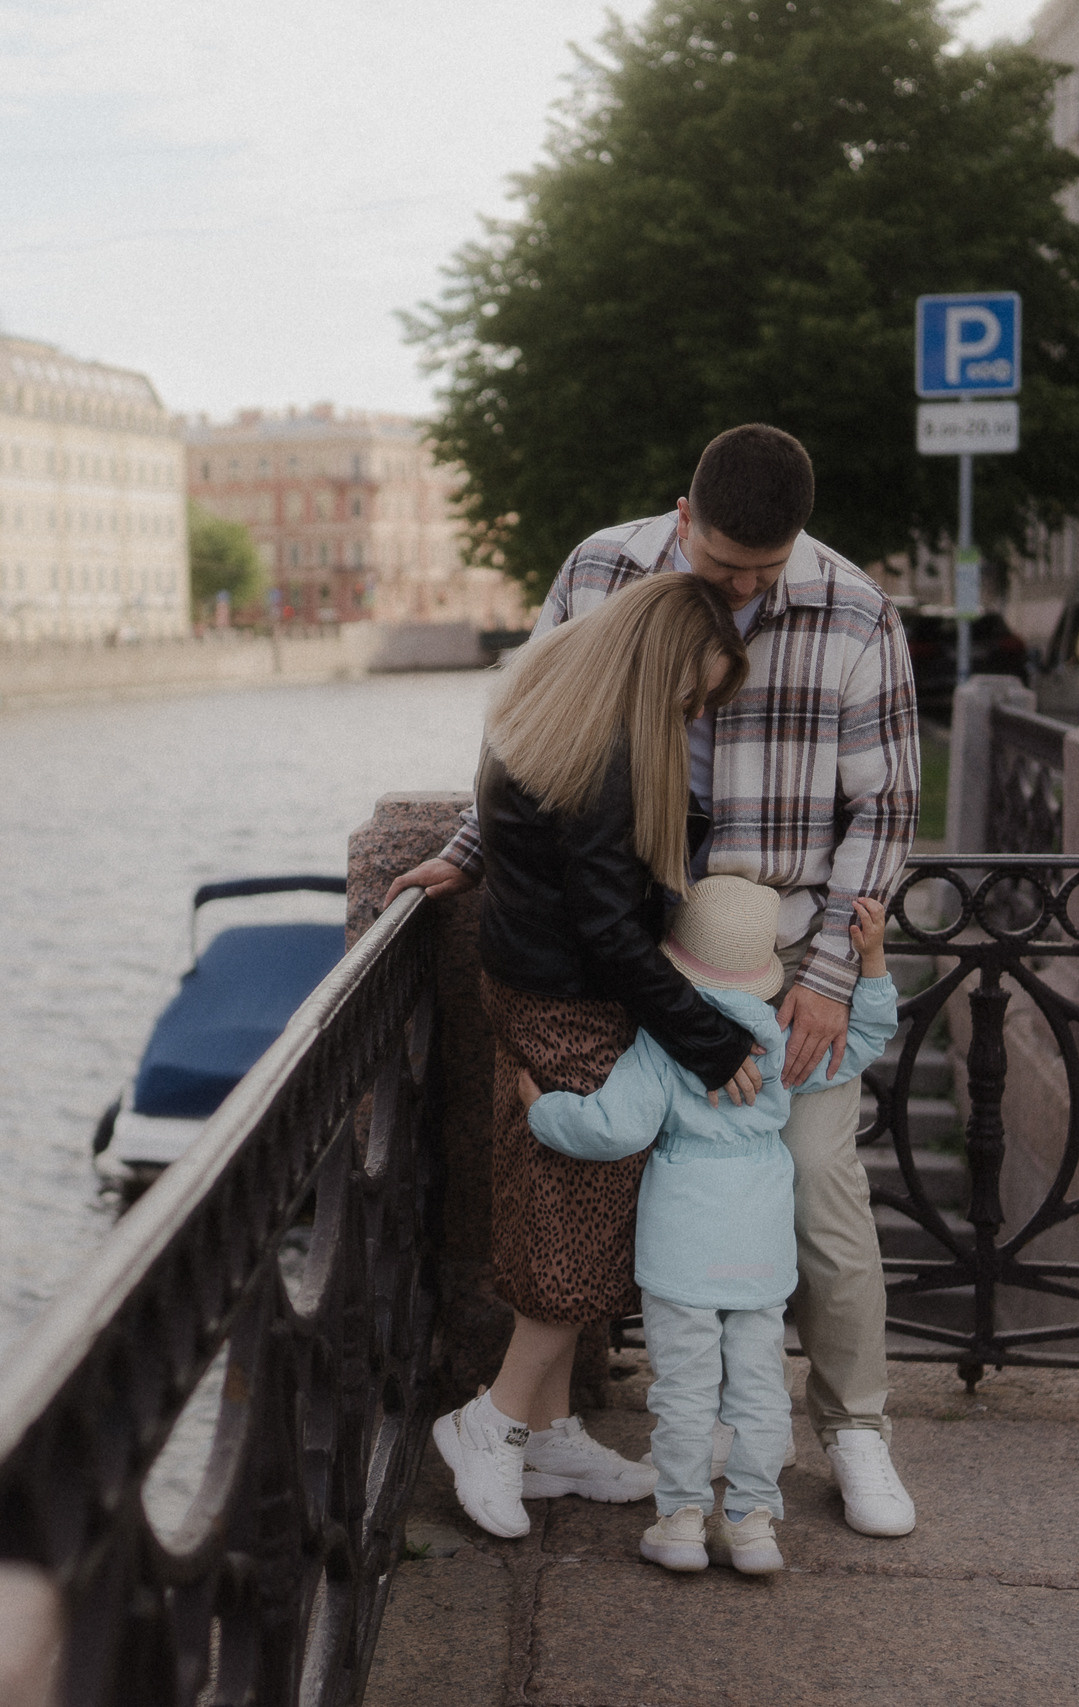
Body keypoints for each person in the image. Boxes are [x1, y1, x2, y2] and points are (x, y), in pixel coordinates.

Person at [393, 423, 924, 1537]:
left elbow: (886, 811)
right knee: (614, 1187)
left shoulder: (857, 612)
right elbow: (529, 725)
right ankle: (548, 1423)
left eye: (763, 574)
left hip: (782, 952)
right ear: (684, 519)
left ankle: (855, 1429)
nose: (740, 592)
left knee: (815, 1184)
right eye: (722, 566)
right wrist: (470, 851)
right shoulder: (600, 568)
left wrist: (834, 974)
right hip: (639, 953)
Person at [426, 571, 761, 1539]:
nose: (693, 718)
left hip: (529, 987)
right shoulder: (608, 758)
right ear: (654, 667)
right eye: (691, 697)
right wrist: (711, 1041)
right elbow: (613, 934)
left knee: (555, 1221)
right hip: (571, 1008)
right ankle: (491, 1424)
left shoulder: (541, 715)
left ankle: (550, 1433)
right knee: (577, 1238)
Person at [521, 884, 900, 1575]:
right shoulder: (780, 1039)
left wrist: (541, 1109)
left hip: (682, 1249)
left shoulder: (663, 1045)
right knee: (759, 1389)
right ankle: (752, 1525)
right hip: (758, 1248)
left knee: (684, 1390)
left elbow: (613, 1128)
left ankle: (681, 1521)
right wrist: (871, 964)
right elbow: (865, 1042)